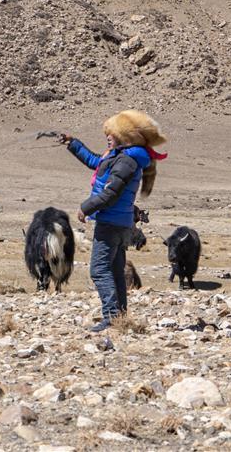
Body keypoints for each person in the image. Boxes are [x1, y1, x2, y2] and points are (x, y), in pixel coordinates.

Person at [59, 110, 167, 332]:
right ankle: (120, 318)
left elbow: (111, 194)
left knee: (99, 270)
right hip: (120, 222)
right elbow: (94, 161)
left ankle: (110, 317)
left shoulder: (125, 161)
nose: (107, 136)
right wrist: (73, 144)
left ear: (125, 136)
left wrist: (85, 208)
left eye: (112, 133)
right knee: (116, 270)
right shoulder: (122, 157)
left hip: (110, 222)